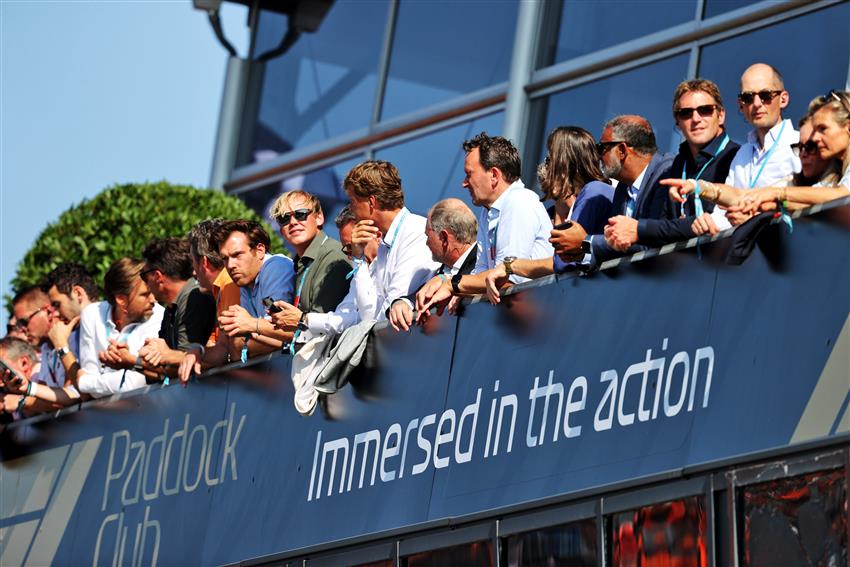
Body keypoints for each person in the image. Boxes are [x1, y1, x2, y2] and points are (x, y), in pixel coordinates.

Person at [269, 160, 438, 338]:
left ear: (371, 202)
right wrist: (358, 258)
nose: (350, 208)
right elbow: (364, 315)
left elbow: (381, 317)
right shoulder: (383, 245)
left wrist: (303, 319)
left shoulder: (416, 231)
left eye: (352, 201)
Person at [414, 133, 553, 315]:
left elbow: (505, 280)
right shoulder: (487, 212)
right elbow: (481, 273)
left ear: (494, 175)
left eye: (469, 174)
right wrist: (457, 287)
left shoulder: (519, 200)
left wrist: (453, 285)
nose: (464, 183)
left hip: (538, 316)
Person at [479, 126, 614, 303]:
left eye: (552, 158)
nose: (547, 164)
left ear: (566, 162)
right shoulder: (551, 214)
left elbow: (567, 261)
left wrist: (510, 266)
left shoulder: (594, 192)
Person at [604, 80, 740, 251]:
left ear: (720, 115)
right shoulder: (676, 165)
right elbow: (661, 226)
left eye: (705, 110)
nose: (696, 119)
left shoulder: (735, 157)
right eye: (686, 113)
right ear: (677, 122)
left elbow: (717, 220)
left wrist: (641, 229)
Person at [665, 91, 850, 215]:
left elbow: (842, 196)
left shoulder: (833, 185)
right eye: (800, 147)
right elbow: (743, 195)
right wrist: (699, 187)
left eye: (823, 129)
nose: (816, 139)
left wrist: (778, 196)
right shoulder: (829, 175)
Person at [551, 115, 675, 266]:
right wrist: (580, 254)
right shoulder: (623, 189)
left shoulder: (665, 174)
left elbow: (653, 243)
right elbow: (616, 249)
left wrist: (586, 241)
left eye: (602, 148)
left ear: (622, 150)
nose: (598, 156)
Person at [708, 63, 799, 230]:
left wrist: (754, 219)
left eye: (765, 95)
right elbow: (723, 214)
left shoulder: (801, 146)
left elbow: (809, 204)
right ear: (741, 104)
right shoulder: (742, 154)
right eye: (748, 97)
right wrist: (708, 222)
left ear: (783, 99)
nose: (757, 103)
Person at [77, 258, 165, 397]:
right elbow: (91, 393)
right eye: (145, 294)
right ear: (121, 299)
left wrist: (85, 383)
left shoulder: (159, 316)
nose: (153, 299)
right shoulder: (91, 314)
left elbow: (133, 384)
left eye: (152, 291)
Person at [388, 198, 478, 332]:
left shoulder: (482, 263)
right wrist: (401, 303)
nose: (427, 243)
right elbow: (421, 295)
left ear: (444, 238)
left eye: (428, 236)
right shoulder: (443, 271)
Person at [136, 237, 216, 378]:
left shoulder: (193, 298)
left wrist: (133, 361)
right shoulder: (171, 308)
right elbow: (167, 369)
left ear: (158, 276)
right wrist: (147, 356)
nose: (145, 284)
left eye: (144, 276)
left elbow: (185, 362)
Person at [216, 219, 294, 360]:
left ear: (260, 251)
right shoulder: (245, 281)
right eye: (225, 259)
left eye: (237, 255)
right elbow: (257, 334)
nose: (230, 265)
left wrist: (246, 334)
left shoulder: (276, 267)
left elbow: (283, 335)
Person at [177, 218, 242, 384]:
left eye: (193, 262)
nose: (193, 272)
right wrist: (198, 351)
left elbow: (233, 350)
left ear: (204, 263)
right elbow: (223, 348)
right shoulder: (222, 287)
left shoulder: (229, 284)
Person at [270, 190, 350, 316]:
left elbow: (321, 325)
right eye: (284, 218)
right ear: (281, 230)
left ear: (319, 218)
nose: (293, 222)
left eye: (300, 214)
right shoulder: (299, 264)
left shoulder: (333, 256)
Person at [40, 262, 99, 389]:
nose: (55, 313)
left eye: (57, 304)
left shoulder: (112, 318)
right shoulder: (73, 334)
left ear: (78, 294)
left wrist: (61, 345)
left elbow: (84, 392)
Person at [1, 336, 81, 415]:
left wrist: (21, 401)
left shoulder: (39, 375)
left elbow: (67, 400)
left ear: (24, 363)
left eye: (2, 368)